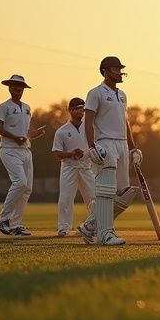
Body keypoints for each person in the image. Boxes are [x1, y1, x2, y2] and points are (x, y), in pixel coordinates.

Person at [76, 56, 143, 246]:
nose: (120, 72)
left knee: (124, 193)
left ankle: (90, 226)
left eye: (121, 69)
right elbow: (88, 120)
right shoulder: (95, 93)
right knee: (106, 191)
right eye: (116, 69)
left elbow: (125, 122)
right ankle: (105, 234)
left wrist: (133, 147)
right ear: (105, 71)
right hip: (105, 143)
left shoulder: (122, 95)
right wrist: (91, 146)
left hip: (122, 144)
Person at [0, 74, 45, 236]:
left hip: (25, 151)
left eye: (20, 86)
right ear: (9, 87)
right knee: (20, 182)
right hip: (9, 150)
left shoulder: (27, 107)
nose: (17, 88)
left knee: (27, 188)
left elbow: (26, 132)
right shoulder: (4, 106)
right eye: (14, 85)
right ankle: (2, 219)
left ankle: (15, 224)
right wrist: (15, 138)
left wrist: (34, 134)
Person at [52, 97, 95, 237]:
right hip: (69, 167)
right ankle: (64, 228)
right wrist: (71, 153)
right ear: (70, 110)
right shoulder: (62, 131)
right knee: (65, 198)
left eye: (82, 109)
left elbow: (95, 146)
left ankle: (95, 225)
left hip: (86, 167)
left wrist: (84, 154)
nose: (80, 111)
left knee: (93, 198)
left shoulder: (89, 127)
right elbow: (57, 154)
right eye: (76, 109)